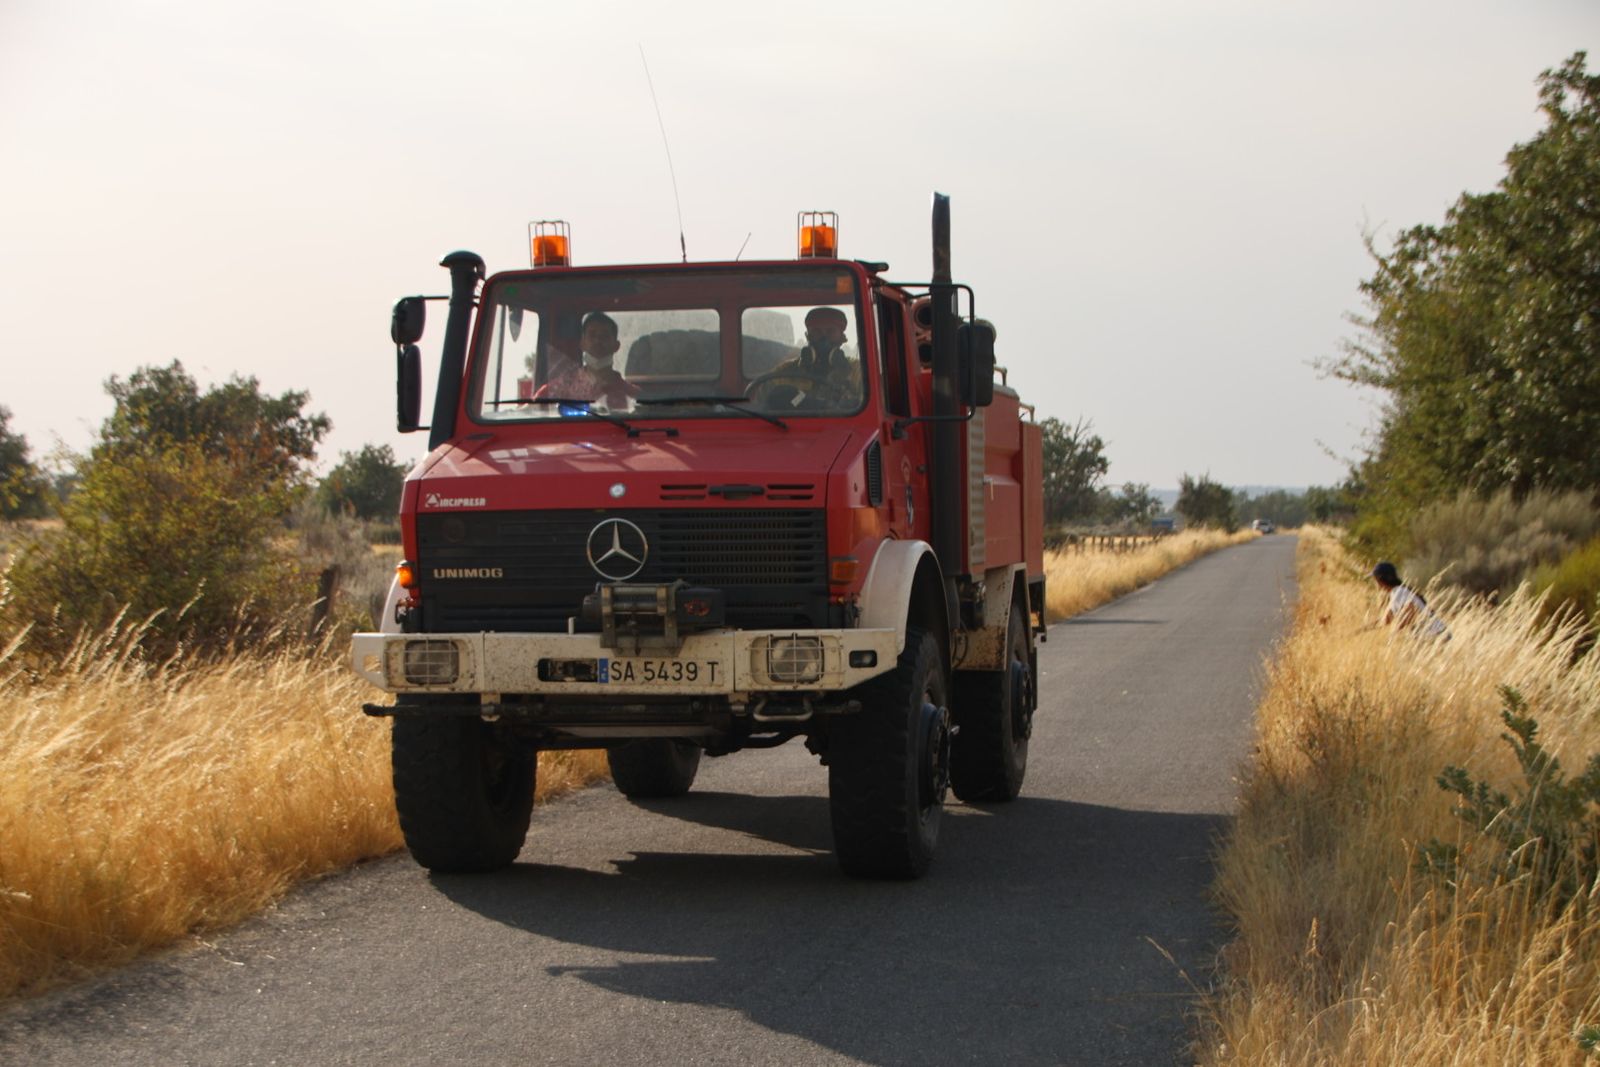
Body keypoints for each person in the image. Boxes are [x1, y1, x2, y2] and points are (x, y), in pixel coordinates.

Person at [749, 306, 861, 409]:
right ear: (808, 336)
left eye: (830, 331)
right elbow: (759, 411)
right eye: (816, 331)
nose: (824, 339)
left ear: (842, 337)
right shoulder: (783, 373)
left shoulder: (858, 372)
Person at [531, 312, 638, 410]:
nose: (598, 341)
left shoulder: (631, 393)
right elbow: (529, 415)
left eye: (604, 336)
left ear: (616, 346)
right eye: (592, 335)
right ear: (582, 344)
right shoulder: (558, 389)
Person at [1371, 561, 1450, 639]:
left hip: (1435, 634)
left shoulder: (1400, 592)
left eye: (1375, 580)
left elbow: (1410, 612)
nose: (1375, 584)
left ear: (1380, 580)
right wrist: (1363, 629)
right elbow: (1386, 620)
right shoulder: (1395, 593)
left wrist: (1394, 634)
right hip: (1433, 634)